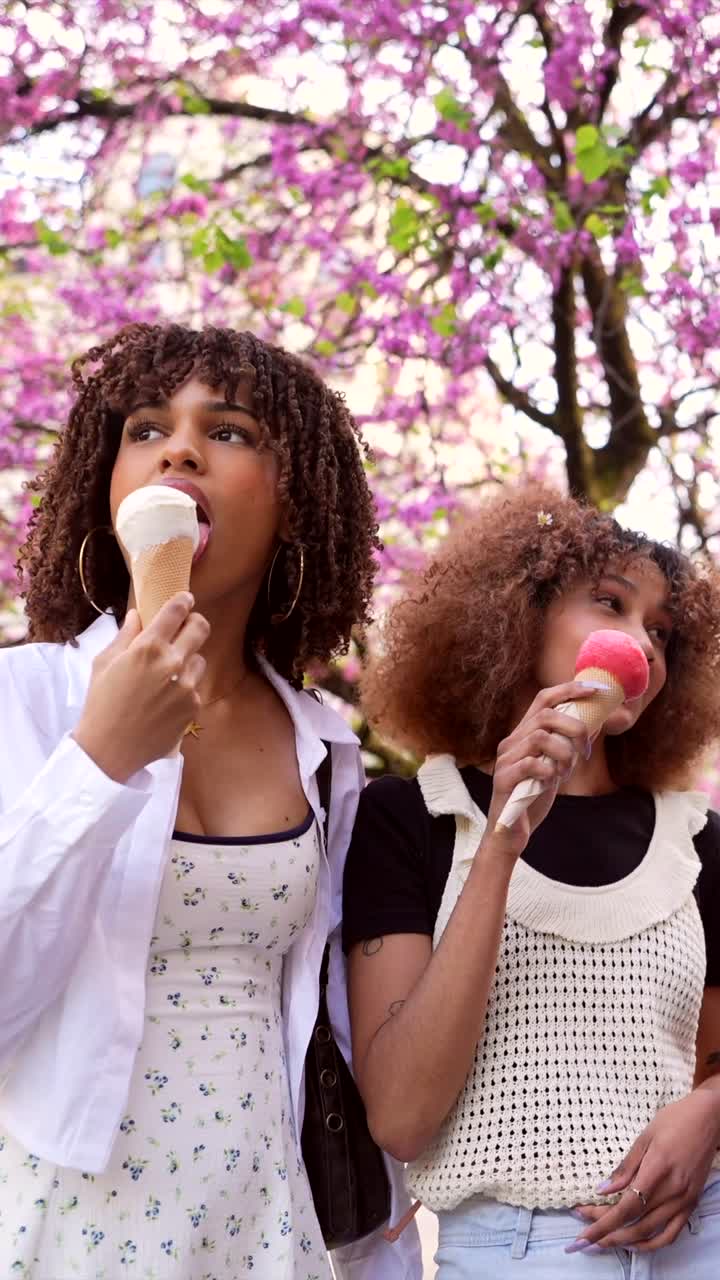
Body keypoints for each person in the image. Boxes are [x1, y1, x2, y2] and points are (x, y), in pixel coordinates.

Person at [0, 323, 420, 1280]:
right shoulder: (21, 702)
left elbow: (324, 1019)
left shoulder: (325, 746)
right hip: (65, 1222)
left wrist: (377, 1207)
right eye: (147, 427)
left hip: (259, 1222)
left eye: (228, 432)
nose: (179, 447)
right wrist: (99, 759)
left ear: (292, 507)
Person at [343, 484, 720, 1277]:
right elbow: (403, 1118)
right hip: (521, 1251)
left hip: (701, 1234)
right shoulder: (410, 818)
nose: (642, 645)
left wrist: (712, 1110)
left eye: (661, 631)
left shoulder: (698, 841)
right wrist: (501, 845)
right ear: (518, 614)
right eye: (609, 604)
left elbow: (712, 1063)